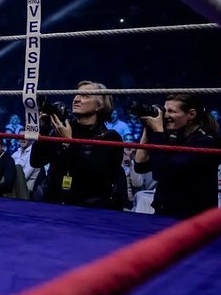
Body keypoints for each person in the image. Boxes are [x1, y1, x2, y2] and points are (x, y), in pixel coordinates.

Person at [30, 81, 126, 210]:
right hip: (54, 203)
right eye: (76, 95)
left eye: (85, 96)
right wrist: (45, 129)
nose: (76, 99)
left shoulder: (110, 137)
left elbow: (97, 176)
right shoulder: (63, 129)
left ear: (100, 105)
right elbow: (36, 161)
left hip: (87, 208)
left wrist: (69, 142)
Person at [133, 94, 219, 218]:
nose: (165, 115)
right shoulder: (175, 137)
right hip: (166, 212)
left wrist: (158, 132)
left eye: (172, 111)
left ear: (191, 114)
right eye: (165, 110)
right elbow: (140, 166)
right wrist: (147, 131)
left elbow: (161, 172)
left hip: (191, 217)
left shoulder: (205, 142)